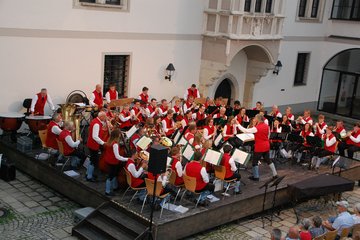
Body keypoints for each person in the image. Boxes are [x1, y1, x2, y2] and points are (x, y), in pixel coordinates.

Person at [237, 114, 278, 181]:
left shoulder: (257, 128)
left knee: (255, 162)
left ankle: (256, 177)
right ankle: (275, 174)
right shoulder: (267, 126)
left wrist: (238, 124)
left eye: (255, 118)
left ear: (258, 119)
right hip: (266, 145)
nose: (254, 119)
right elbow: (268, 136)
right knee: (268, 159)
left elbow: (245, 130)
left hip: (259, 146)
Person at [103, 129, 128, 196]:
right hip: (113, 161)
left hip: (108, 159)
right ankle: (107, 191)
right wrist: (127, 159)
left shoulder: (109, 140)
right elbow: (117, 156)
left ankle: (115, 187)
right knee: (110, 176)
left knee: (113, 174)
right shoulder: (115, 144)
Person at [86, 111, 107, 181]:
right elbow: (95, 136)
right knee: (94, 160)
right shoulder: (97, 124)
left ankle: (88, 173)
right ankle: (89, 176)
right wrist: (103, 143)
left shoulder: (96, 121)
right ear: (101, 117)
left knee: (92, 159)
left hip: (91, 143)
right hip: (93, 144)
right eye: (105, 117)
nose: (105, 118)